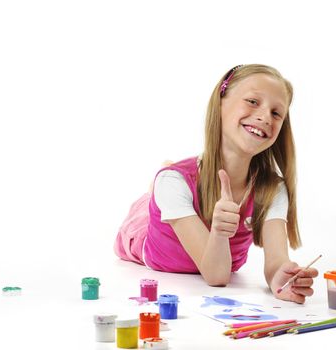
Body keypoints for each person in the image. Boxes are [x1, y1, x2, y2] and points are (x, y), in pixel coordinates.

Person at [114, 64, 318, 304]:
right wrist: (219, 232)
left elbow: (275, 261)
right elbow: (216, 276)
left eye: (276, 113)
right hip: (145, 237)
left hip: (181, 197)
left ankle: (160, 193)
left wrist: (281, 277)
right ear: (220, 102)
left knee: (171, 187)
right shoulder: (173, 183)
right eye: (253, 101)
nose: (264, 116)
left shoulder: (273, 189)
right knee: (161, 190)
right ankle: (155, 192)